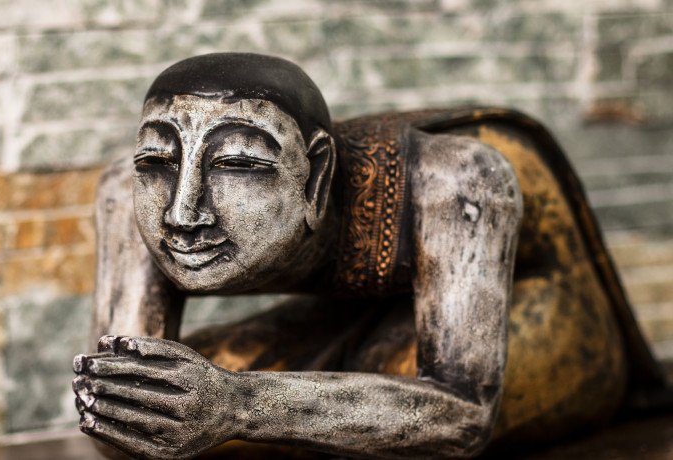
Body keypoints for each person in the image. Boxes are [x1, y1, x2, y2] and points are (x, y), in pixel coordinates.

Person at [72, 53, 669, 459]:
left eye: (238, 164)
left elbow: (462, 414)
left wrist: (241, 403)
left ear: (317, 176)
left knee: (384, 391)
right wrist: (178, 402)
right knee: (170, 395)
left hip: (540, 298)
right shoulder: (127, 192)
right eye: (157, 160)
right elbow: (118, 414)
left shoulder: (453, 180)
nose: (182, 212)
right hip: (351, 313)